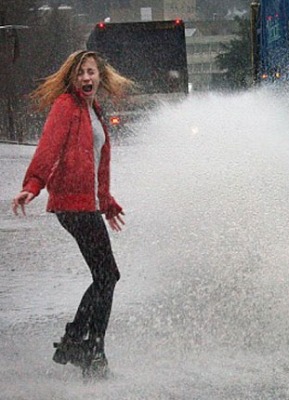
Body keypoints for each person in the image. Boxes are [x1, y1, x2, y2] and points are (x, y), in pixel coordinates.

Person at [11, 50, 134, 378]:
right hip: (72, 204)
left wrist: (105, 202)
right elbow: (48, 148)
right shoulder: (65, 106)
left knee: (105, 276)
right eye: (80, 73)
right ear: (72, 77)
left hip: (86, 203)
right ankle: (82, 345)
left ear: (99, 76)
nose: (86, 78)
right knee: (108, 275)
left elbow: (95, 162)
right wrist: (33, 184)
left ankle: (87, 349)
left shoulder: (93, 110)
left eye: (91, 72)